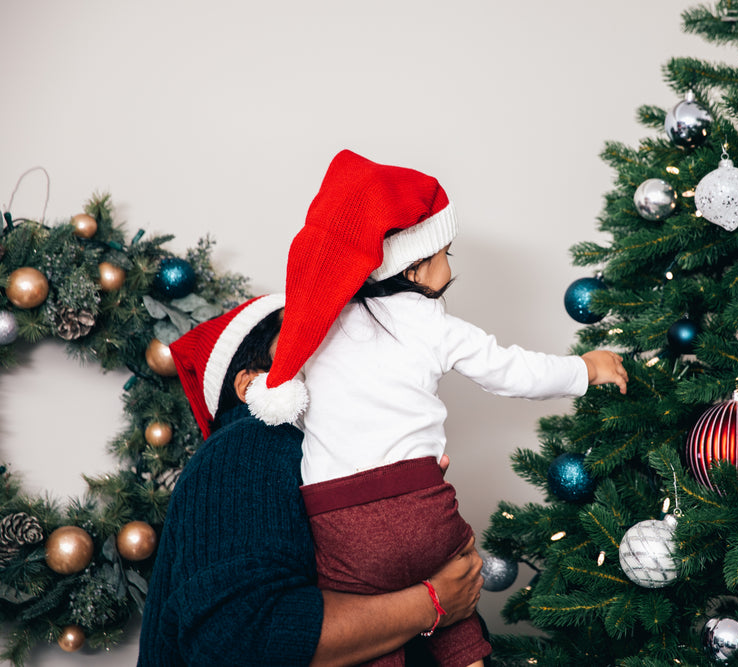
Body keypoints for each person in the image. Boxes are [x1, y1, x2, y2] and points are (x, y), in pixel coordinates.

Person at [244, 150, 629, 667]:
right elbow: (512, 372)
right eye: (445, 251)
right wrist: (586, 368)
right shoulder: (431, 324)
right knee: (456, 600)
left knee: (369, 626)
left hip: (338, 524)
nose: (451, 265)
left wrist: (256, 388)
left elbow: (295, 404)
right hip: (419, 505)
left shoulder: (318, 330)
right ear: (415, 265)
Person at [137, 293, 485, 667]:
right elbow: (241, 636)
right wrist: (433, 602)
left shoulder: (343, 454)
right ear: (251, 385)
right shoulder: (247, 443)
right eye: (306, 338)